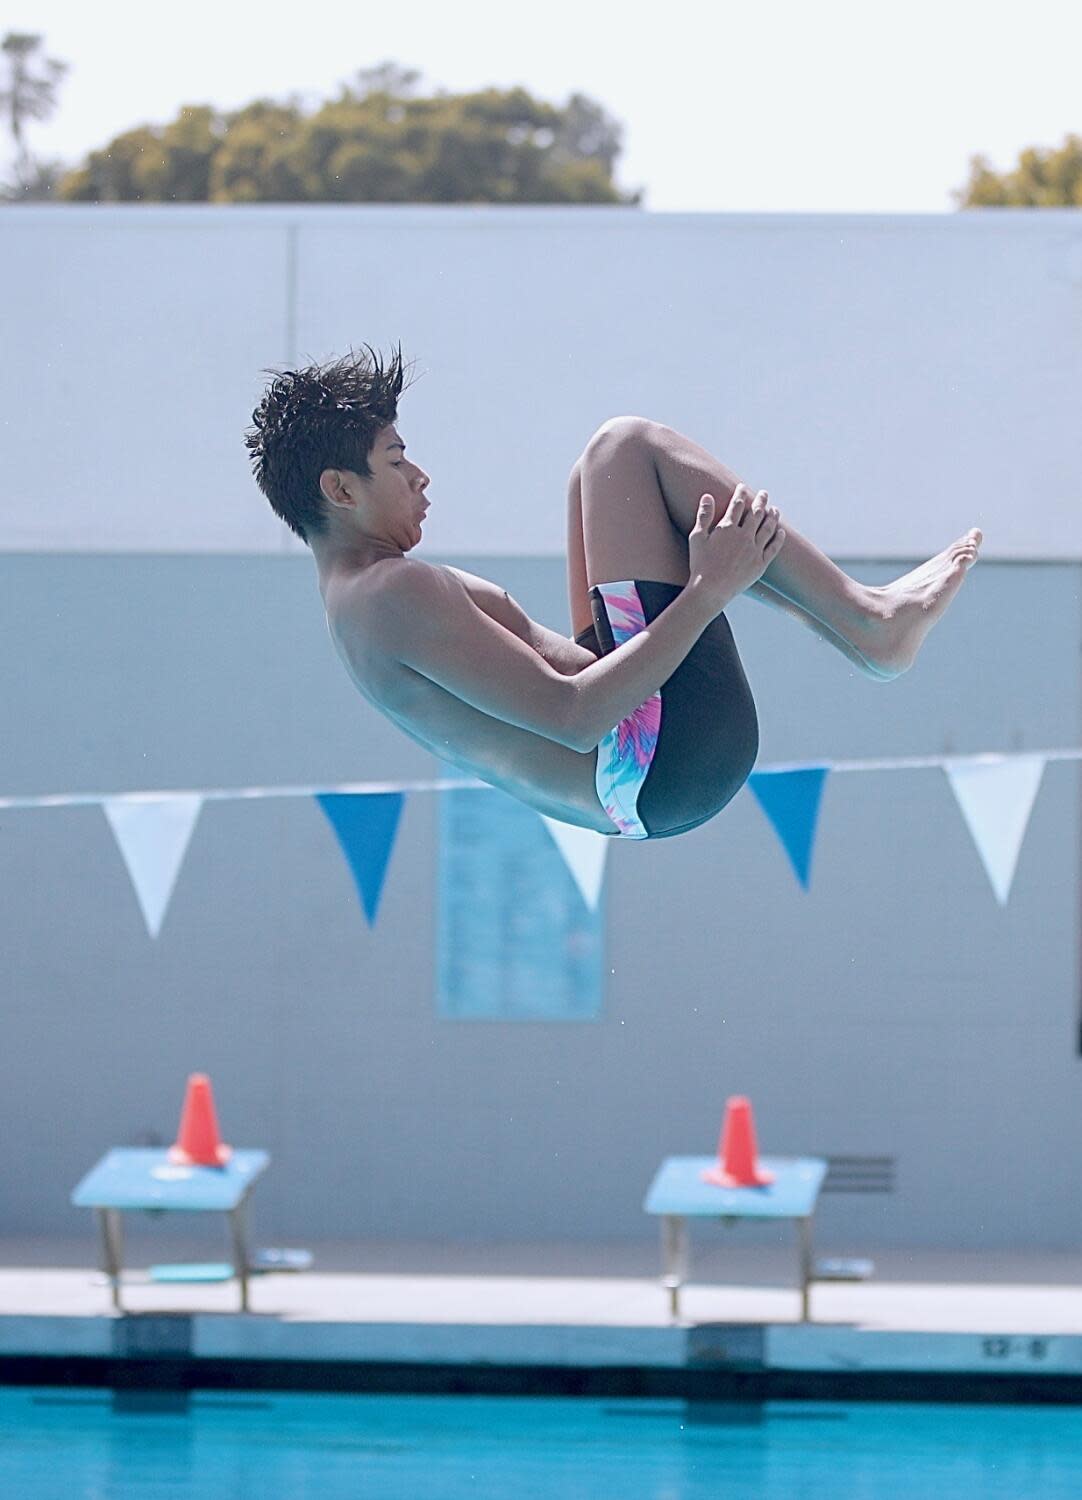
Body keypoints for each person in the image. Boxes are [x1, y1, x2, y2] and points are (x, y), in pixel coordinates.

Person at [244, 344, 982, 840]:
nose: (421, 476)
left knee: (590, 482)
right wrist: (705, 590)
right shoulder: (391, 593)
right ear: (339, 488)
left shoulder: (355, 604)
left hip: (643, 781)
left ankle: (861, 630)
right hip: (661, 758)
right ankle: (870, 622)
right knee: (623, 448)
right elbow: (574, 716)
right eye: (397, 460)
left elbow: (570, 691)